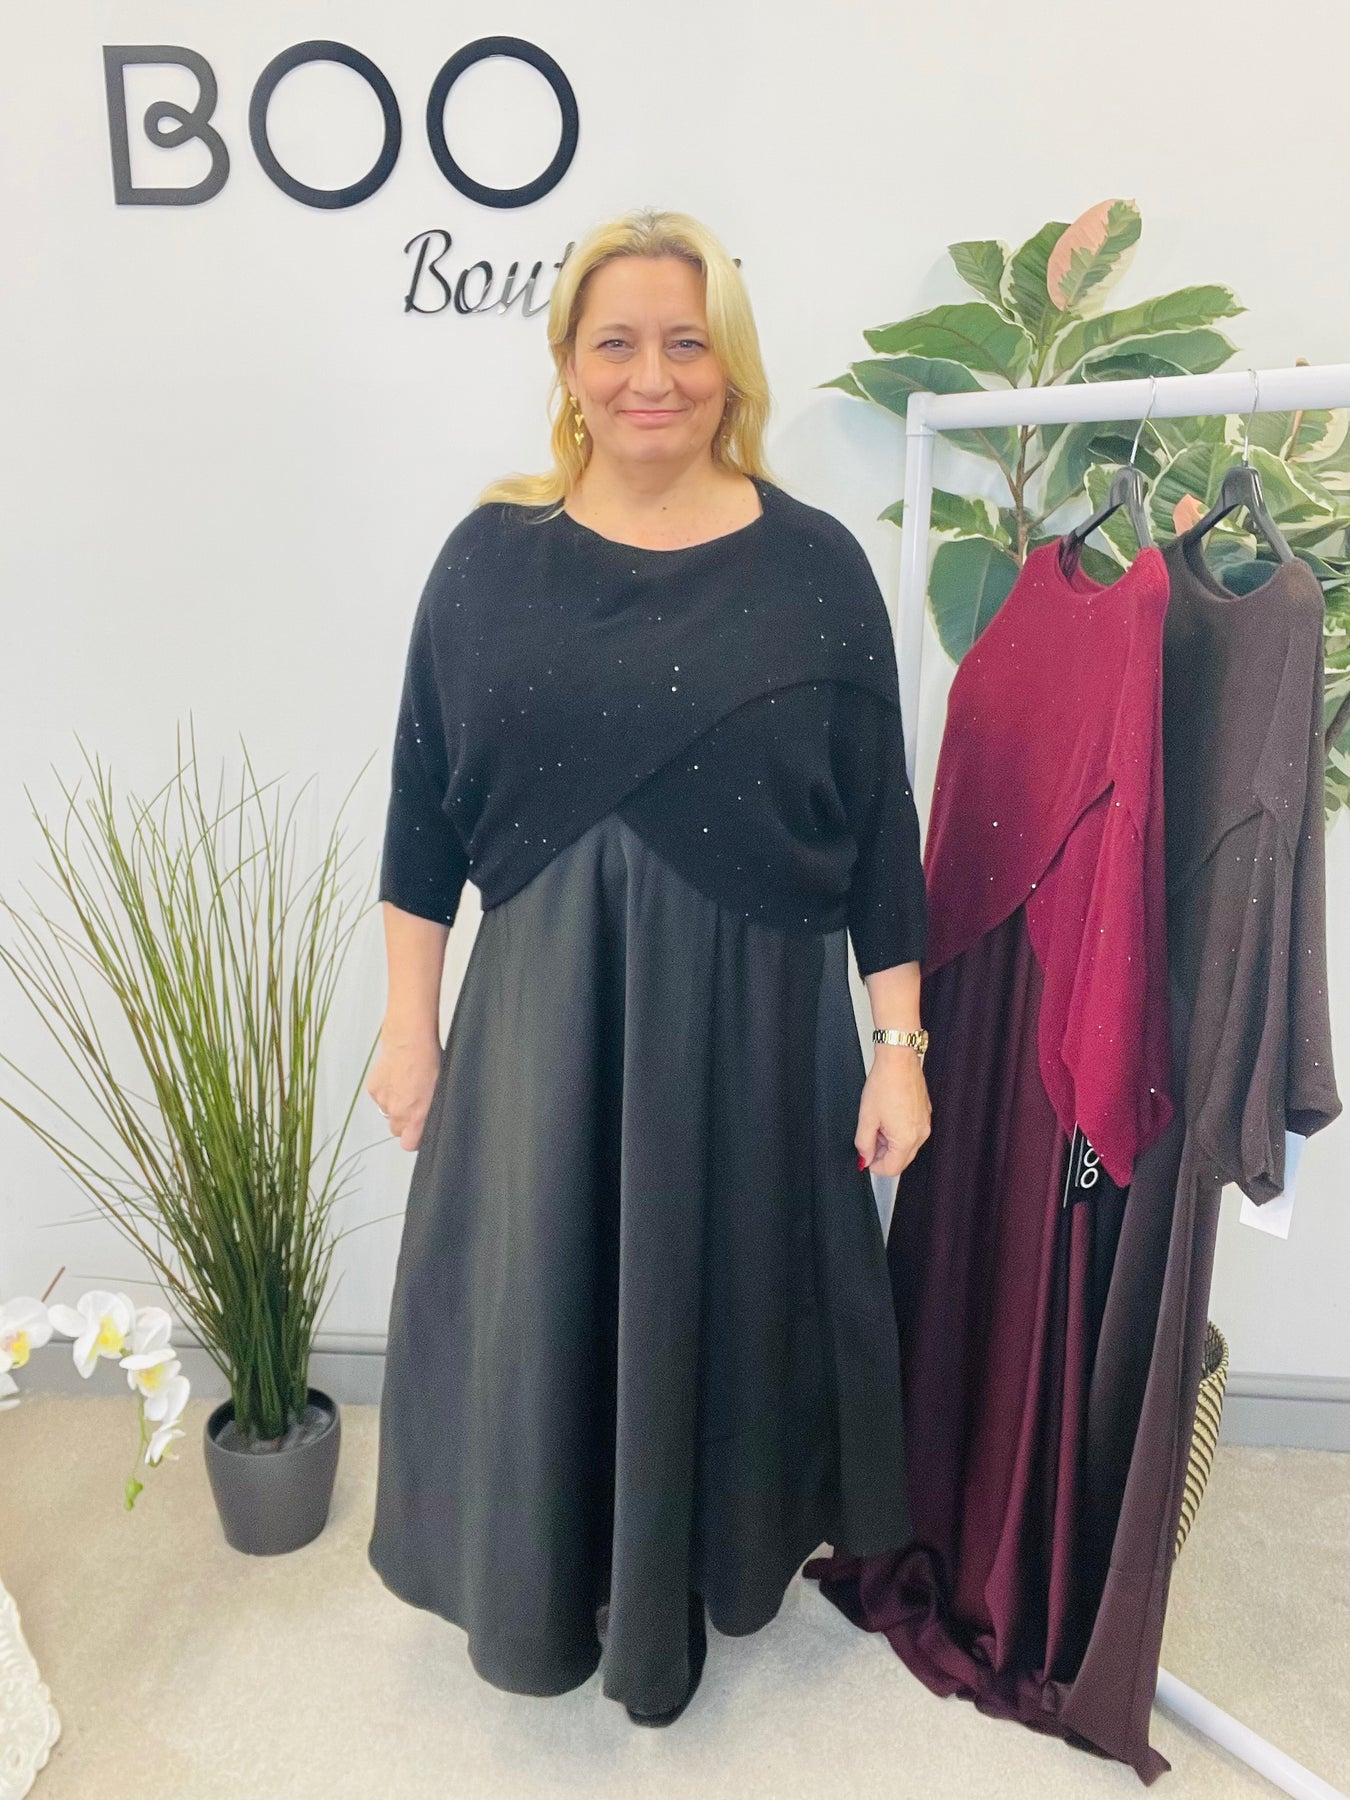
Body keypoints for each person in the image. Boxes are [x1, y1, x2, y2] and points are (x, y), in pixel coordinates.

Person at [365, 205, 930, 1727]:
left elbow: (879, 825)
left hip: (756, 1033)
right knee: (546, 1295)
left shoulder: (816, 567)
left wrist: (899, 1046)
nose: (651, 376)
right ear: (568, 362)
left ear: (728, 362)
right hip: (545, 1021)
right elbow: (421, 810)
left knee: (731, 1305)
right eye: (615, 342)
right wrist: (409, 1026)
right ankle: (557, 1589)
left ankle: (702, 1575)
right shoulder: (487, 559)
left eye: (685, 342)